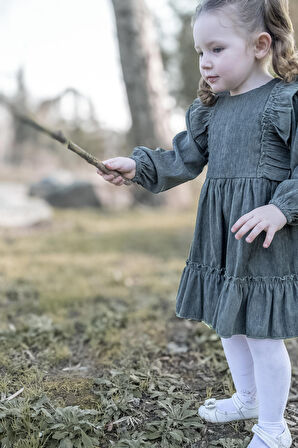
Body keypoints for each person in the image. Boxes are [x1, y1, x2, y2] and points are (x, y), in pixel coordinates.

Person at [97, 0, 298, 446]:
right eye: (199, 52)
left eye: (216, 48)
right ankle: (247, 397)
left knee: (262, 334)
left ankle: (273, 428)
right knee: (228, 320)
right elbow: (183, 158)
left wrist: (281, 208)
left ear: (260, 45)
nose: (205, 62)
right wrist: (137, 166)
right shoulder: (212, 109)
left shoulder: (287, 100)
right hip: (221, 232)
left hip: (264, 234)